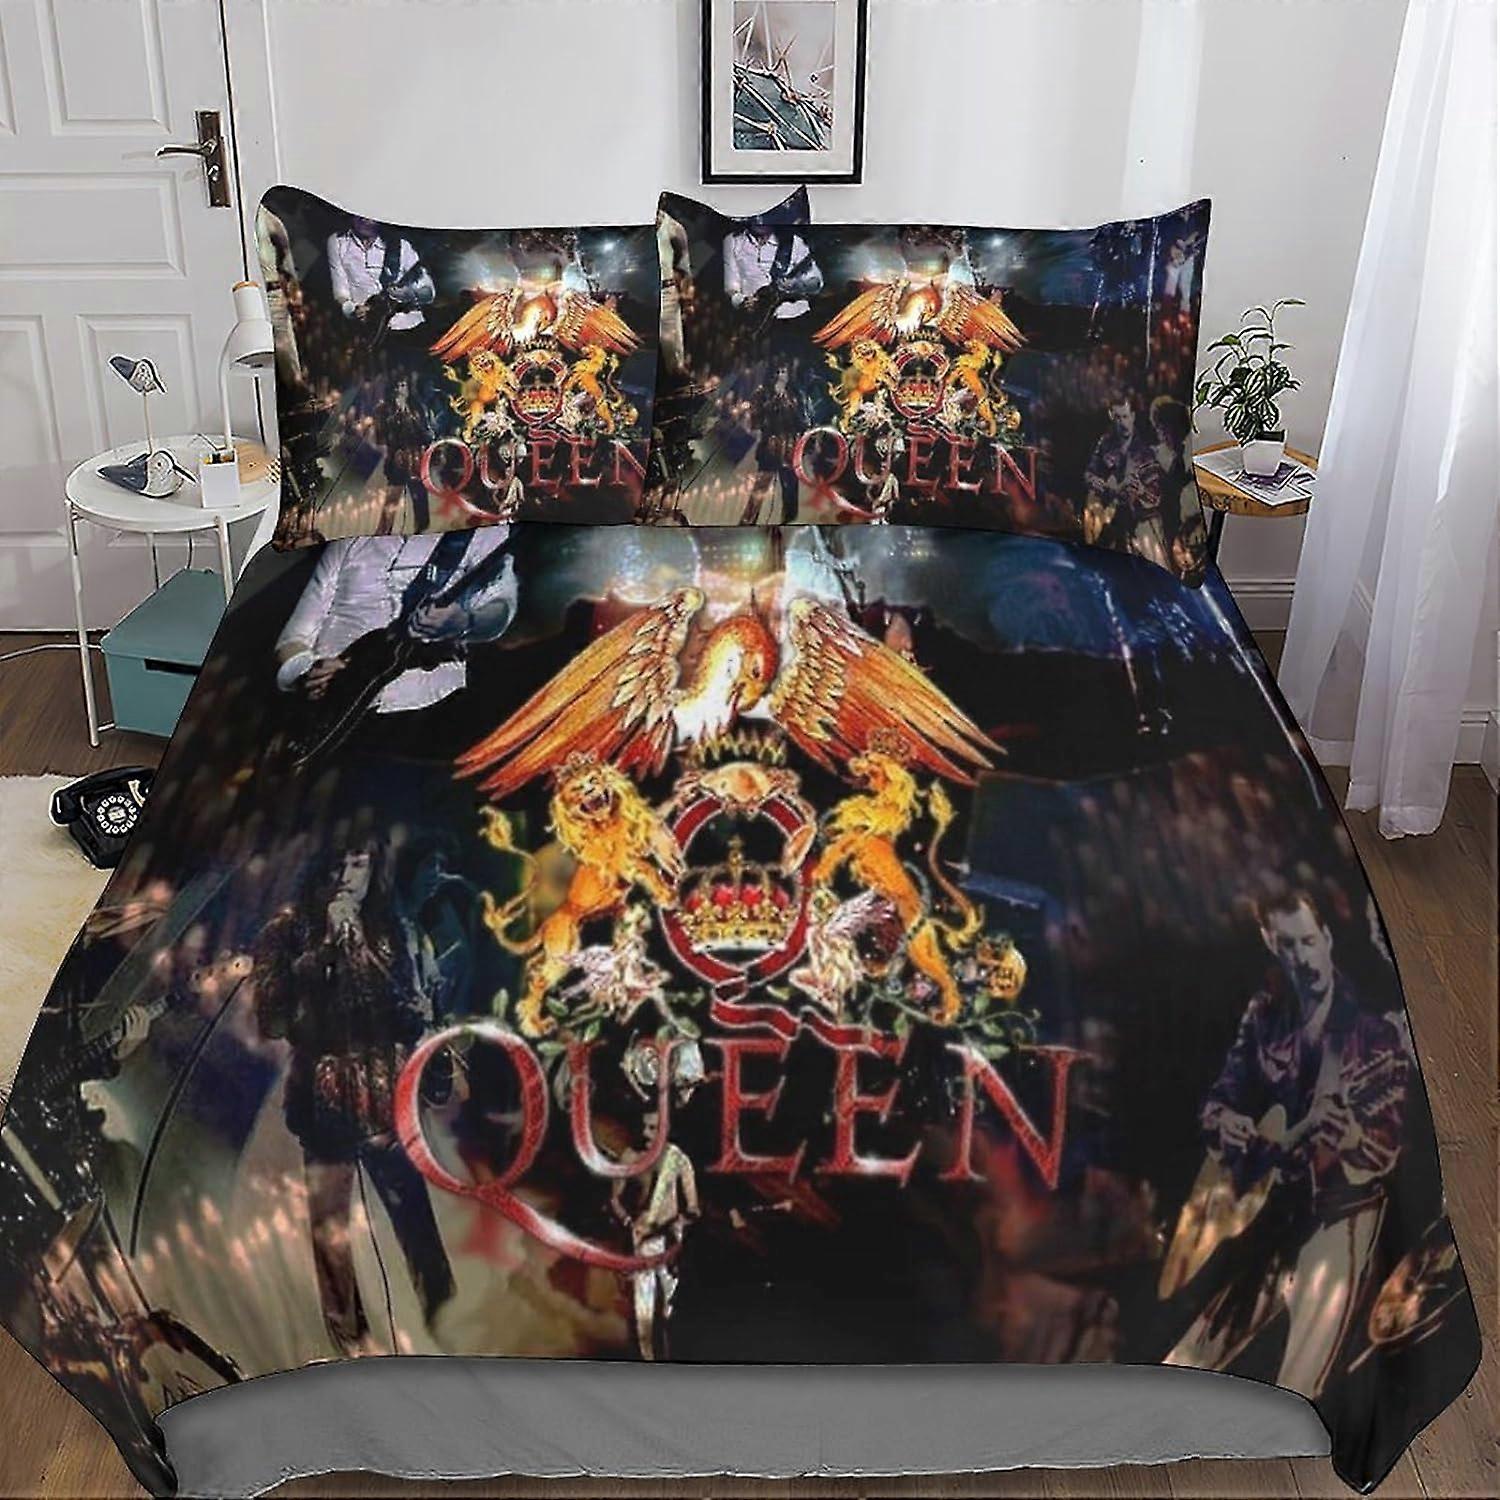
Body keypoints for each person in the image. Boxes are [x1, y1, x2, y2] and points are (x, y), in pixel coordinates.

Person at [1166, 889, 1410, 1397]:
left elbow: (1386, 1148)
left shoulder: (1372, 1032)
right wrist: (1227, 1122)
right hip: (1276, 1212)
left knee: (1300, 1385)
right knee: (1187, 1359)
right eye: (1289, 946)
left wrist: (1353, 1137)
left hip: (1341, 1215)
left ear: (1326, 938)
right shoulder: (1265, 1015)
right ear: (1271, 944)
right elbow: (1219, 1098)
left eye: (1309, 941)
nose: (1303, 958)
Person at [254, 840, 456, 1352]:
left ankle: (450, 1324)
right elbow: (272, 1019)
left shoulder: (390, 929)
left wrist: (418, 1022)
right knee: (330, 1233)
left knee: (417, 1226)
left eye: (359, 863)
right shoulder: (285, 932)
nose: (348, 874)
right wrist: (321, 954)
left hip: (384, 1102)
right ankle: (350, 1341)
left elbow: (407, 1014)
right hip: (323, 1107)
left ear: (373, 867)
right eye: (339, 862)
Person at [275, 529, 517, 759]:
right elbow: (295, 636)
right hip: (320, 714)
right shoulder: (355, 536)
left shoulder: (484, 532)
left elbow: (502, 607)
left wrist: (464, 621)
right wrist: (309, 674)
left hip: (416, 717)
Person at [327, 216, 435, 347]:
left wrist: (409, 294)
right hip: (367, 333)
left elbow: (429, 292)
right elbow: (340, 292)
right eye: (360, 215)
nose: (365, 220)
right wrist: (353, 310)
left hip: (408, 330)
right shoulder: (338, 242)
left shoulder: (401, 246)